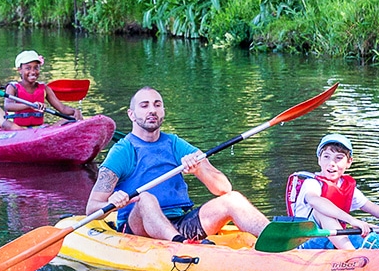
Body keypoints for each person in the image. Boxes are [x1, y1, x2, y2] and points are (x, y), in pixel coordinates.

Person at [87, 86, 270, 243]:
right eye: (144, 105)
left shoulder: (175, 144)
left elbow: (223, 188)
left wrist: (199, 170)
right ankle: (181, 244)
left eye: (157, 105)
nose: (152, 110)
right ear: (131, 115)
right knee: (145, 198)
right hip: (138, 229)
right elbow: (92, 208)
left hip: (180, 221)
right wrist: (112, 201)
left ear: (163, 111)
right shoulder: (123, 151)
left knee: (234, 199)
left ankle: (276, 239)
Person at [286, 134, 379, 249]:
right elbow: (316, 201)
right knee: (321, 211)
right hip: (310, 242)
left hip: (338, 240)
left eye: (339, 158)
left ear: (349, 162)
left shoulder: (346, 186)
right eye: (326, 157)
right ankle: (353, 256)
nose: (332, 163)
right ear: (319, 160)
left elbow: (376, 209)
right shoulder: (311, 183)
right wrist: (353, 220)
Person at [3, 50, 81, 126]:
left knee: (73, 118)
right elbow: (8, 106)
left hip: (38, 129)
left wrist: (75, 111)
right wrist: (30, 105)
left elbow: (62, 109)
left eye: (36, 68)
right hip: (17, 129)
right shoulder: (12, 87)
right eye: (28, 68)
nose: (33, 72)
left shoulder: (45, 89)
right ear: (20, 70)